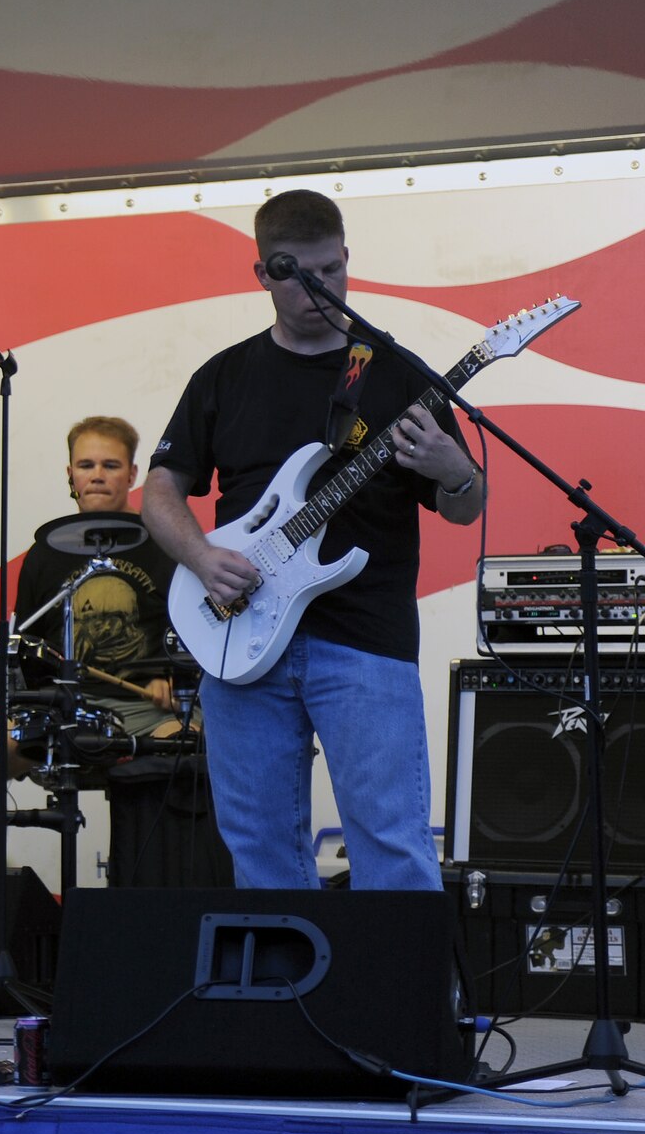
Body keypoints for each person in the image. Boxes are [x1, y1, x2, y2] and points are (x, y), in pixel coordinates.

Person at [140, 189, 484, 890]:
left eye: (330, 271)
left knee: (390, 841)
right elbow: (160, 492)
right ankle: (280, 997)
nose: (318, 290)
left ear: (347, 258)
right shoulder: (224, 376)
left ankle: (400, 1001)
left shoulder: (394, 375)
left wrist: (458, 471)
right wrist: (202, 558)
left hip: (364, 640)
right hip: (241, 643)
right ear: (263, 273)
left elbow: (464, 506)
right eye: (297, 275)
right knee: (261, 851)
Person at [0, 416, 185, 869]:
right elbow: (28, 651)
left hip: (146, 710)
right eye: (87, 464)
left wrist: (174, 679)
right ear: (70, 475)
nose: (97, 474)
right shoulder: (45, 552)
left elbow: (198, 639)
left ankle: (155, 902)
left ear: (132, 475)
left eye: (111, 465)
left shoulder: (166, 544)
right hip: (58, 707)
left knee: (184, 748)